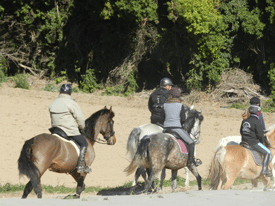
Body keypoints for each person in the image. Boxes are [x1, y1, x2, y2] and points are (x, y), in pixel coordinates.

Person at [48, 84, 91, 173]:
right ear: (70, 93)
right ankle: (80, 166)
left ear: (60, 92)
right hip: (68, 131)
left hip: (56, 130)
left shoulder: (54, 102)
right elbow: (80, 119)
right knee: (84, 143)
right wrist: (81, 128)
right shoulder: (72, 103)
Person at [161, 87, 198, 167]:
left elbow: (162, 118)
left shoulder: (164, 105)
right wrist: (180, 124)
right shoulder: (180, 105)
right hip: (176, 129)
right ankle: (191, 161)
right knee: (191, 142)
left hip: (165, 129)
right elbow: (183, 119)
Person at [240, 105, 272, 177]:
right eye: (259, 112)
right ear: (257, 113)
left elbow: (241, 132)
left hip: (243, 142)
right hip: (253, 143)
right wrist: (262, 141)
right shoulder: (257, 121)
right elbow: (260, 135)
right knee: (267, 152)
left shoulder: (245, 120)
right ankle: (265, 170)